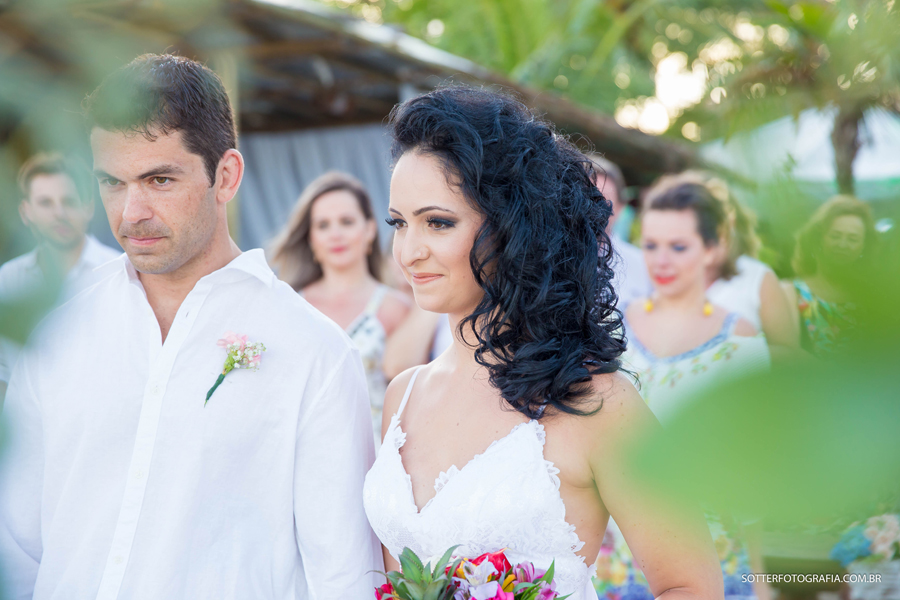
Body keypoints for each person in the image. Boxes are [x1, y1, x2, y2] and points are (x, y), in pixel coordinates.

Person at [0, 54, 380, 600]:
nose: (131, 212)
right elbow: (17, 543)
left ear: (225, 176)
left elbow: (344, 576)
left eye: (158, 179)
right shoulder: (53, 332)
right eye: (111, 181)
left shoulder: (313, 353)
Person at [363, 86, 722, 600]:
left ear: (513, 228)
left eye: (438, 223)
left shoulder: (598, 402)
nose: (409, 251)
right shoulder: (402, 396)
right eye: (399, 223)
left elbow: (691, 586)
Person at [596, 180, 771, 600]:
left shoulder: (738, 339)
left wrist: (761, 579)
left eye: (679, 246)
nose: (662, 260)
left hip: (710, 557)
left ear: (712, 248)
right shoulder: (609, 328)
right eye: (652, 245)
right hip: (614, 560)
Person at [269, 171, 410, 444]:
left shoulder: (397, 308)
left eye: (346, 221)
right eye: (323, 225)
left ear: (369, 229)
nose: (335, 234)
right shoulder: (288, 307)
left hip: (377, 455)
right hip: (305, 454)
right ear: (311, 238)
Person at [0, 152, 120, 402]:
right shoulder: (8, 280)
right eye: (45, 203)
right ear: (26, 211)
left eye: (69, 201)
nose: (59, 213)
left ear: (88, 208)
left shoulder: (119, 273)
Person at [781, 195, 875, 357]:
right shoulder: (789, 292)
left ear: (864, 246)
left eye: (853, 239)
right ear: (817, 239)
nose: (843, 245)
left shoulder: (874, 294)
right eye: (835, 236)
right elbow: (787, 355)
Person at [588, 154, 652, 310]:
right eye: (587, 199)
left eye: (603, 202)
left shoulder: (643, 266)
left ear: (621, 208)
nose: (593, 210)